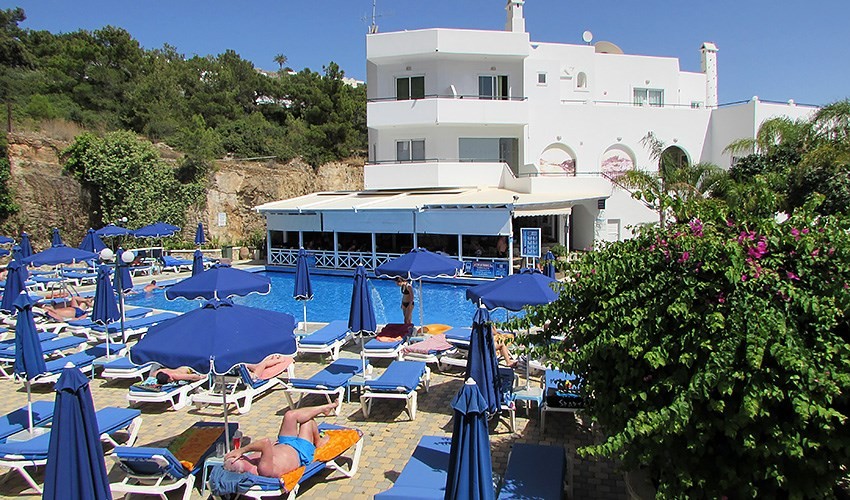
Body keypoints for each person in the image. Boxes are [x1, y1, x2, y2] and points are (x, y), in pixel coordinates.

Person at [223, 401, 339, 477]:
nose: (240, 456)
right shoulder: (263, 469)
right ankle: (318, 442)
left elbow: (268, 449)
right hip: (300, 451)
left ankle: (323, 408)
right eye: (239, 458)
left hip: (284, 443)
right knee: (308, 421)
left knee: (290, 415)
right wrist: (241, 450)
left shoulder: (250, 461)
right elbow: (265, 443)